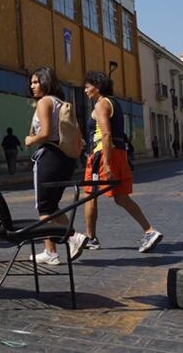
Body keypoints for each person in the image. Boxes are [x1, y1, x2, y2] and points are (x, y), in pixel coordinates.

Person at [80, 71, 162, 253]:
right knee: (121, 196)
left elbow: (106, 134)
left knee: (90, 194)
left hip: (103, 154)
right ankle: (150, 230)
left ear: (97, 86)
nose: (85, 90)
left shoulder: (101, 104)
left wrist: (106, 163)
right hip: (119, 152)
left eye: (87, 86)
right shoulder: (114, 103)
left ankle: (91, 237)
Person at [24, 66, 87, 265]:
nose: (32, 86)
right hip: (65, 159)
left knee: (43, 206)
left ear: (46, 81)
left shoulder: (44, 102)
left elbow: (44, 134)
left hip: (50, 157)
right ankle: (54, 249)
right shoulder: (61, 102)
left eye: (36, 82)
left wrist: (29, 140)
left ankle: (69, 239)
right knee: (51, 206)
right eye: (31, 83)